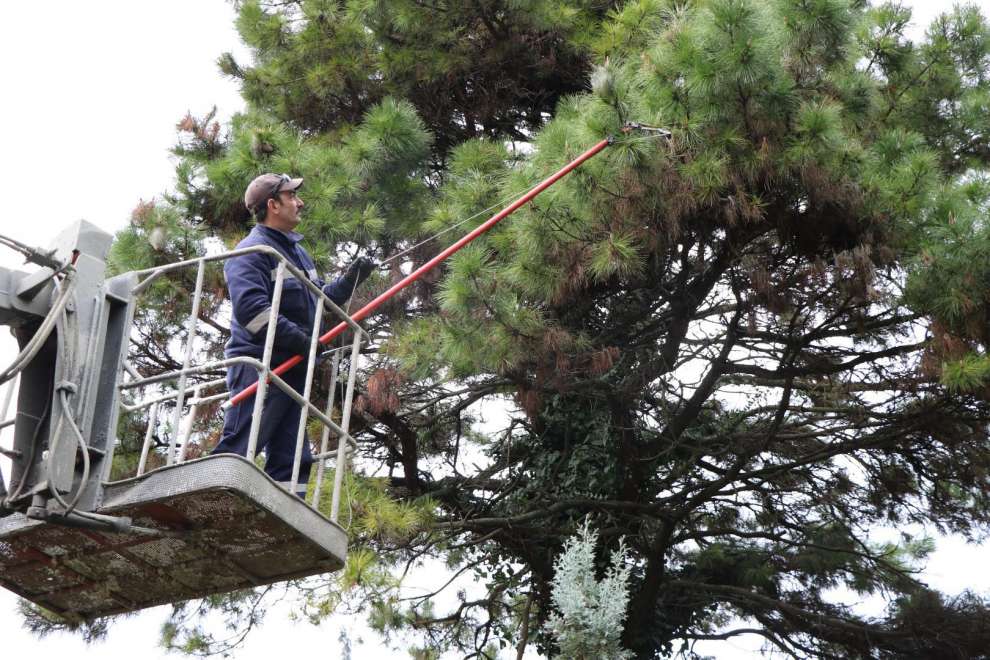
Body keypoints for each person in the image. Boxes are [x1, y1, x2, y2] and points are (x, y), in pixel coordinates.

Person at [213, 173, 374, 497]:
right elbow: (252, 311)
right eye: (292, 197)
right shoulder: (251, 252)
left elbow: (319, 298)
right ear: (273, 205)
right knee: (245, 440)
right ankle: (210, 501)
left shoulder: (297, 254)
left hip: (294, 367)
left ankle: (282, 512)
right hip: (262, 365)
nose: (300, 202)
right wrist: (300, 340)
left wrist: (349, 281)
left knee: (294, 454)